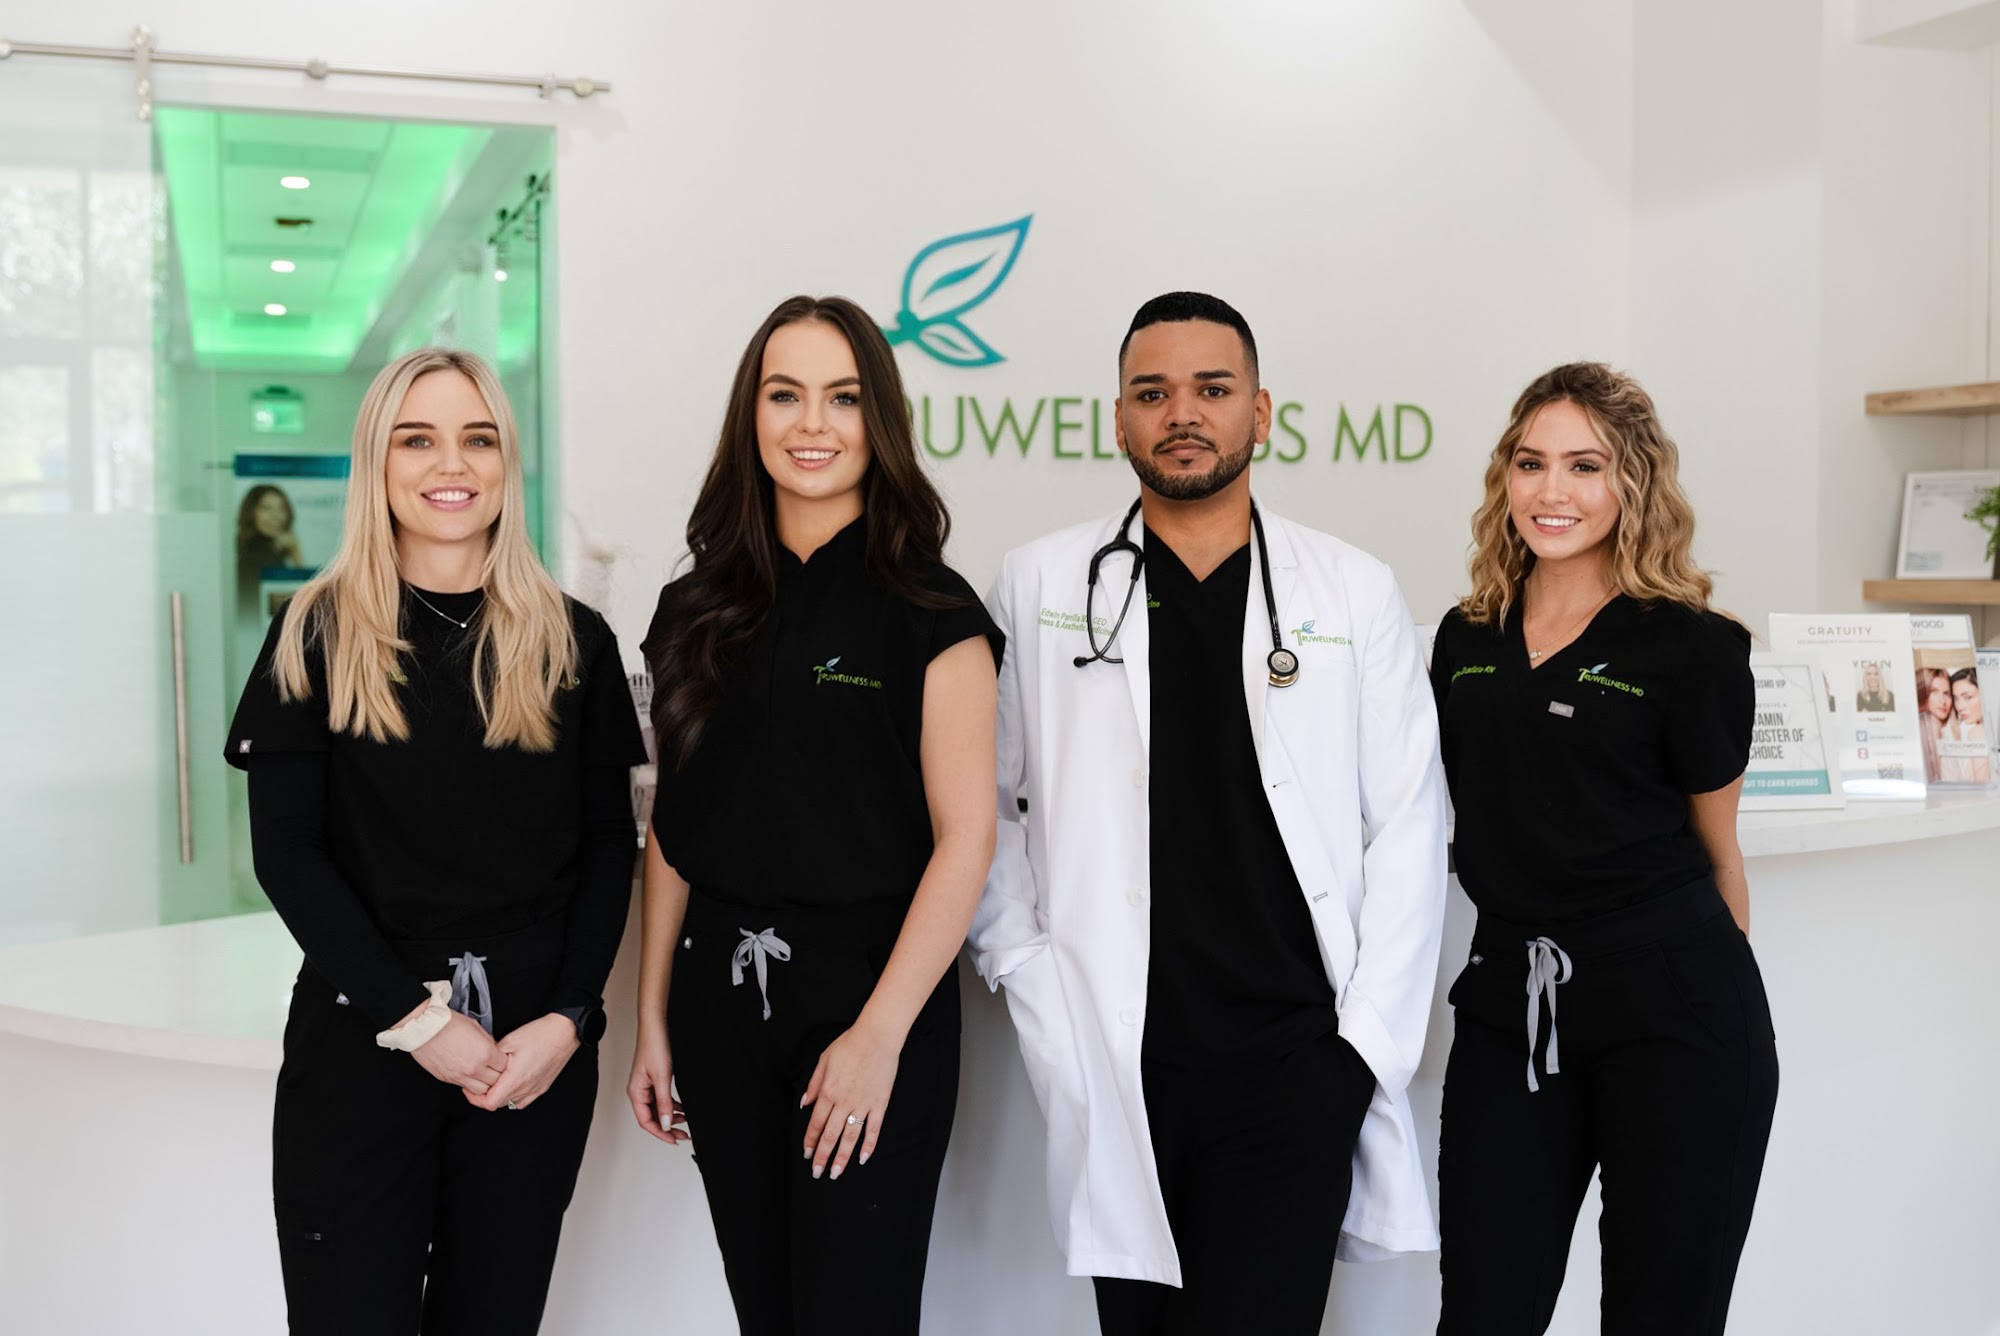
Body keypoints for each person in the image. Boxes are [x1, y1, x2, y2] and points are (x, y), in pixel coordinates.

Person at [970, 291, 1448, 1333]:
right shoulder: (1038, 583)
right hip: (1118, 1053)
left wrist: (1356, 1056)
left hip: (1294, 1062)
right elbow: (987, 808)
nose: (1181, 413)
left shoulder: (1352, 591)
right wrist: (1024, 964)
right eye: (1151, 393)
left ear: (1260, 413)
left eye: (1212, 389)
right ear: (1117, 420)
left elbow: (1410, 827)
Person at [224, 348, 645, 1334]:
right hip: (361, 1043)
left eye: (478, 439)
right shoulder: (312, 633)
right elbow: (288, 854)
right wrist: (419, 1023)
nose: (451, 464)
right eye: (417, 439)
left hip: (530, 1059)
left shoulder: (574, 641)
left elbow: (604, 847)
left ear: (506, 463)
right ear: (378, 462)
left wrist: (570, 1018)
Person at [627, 295, 1000, 1335]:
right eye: (784, 395)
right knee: (768, 1314)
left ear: (879, 419)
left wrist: (878, 1035)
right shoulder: (692, 610)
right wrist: (653, 1016)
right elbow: (675, 829)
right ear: (750, 415)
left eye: (842, 398)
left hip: (870, 1006)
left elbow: (966, 839)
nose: (811, 424)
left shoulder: (934, 612)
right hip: (720, 1013)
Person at [1428, 362, 1779, 1335]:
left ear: (1633, 481)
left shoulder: (1694, 648)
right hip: (1509, 1009)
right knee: (1483, 1314)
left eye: (1585, 466)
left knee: (1661, 1316)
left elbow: (1719, 852)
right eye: (1530, 463)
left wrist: (1709, 997)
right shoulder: (1465, 638)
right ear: (1504, 477)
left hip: (1673, 1015)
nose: (1553, 491)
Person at [237, 482, 305, 615]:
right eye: (266, 508)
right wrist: (296, 553)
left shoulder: (268, 550)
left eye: (281, 508)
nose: (276, 516)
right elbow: (299, 603)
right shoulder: (256, 557)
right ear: (251, 513)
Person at [1945, 667, 1991, 784]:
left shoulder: (1978, 733)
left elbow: (1982, 788)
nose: (1960, 706)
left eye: (1968, 697)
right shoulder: (1981, 732)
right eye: (1956, 698)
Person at [1919, 666, 1956, 783]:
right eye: (1934, 691)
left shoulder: (1948, 732)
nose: (1942, 701)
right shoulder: (1927, 726)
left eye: (1946, 693)